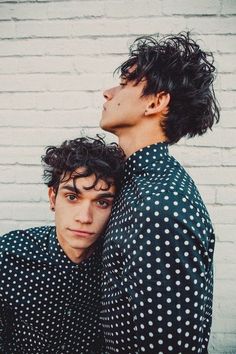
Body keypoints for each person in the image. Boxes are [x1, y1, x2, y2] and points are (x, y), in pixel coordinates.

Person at [100, 32, 220, 353]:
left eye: (125, 83)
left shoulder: (159, 208)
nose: (108, 93)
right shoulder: (137, 182)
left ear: (156, 102)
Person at [0, 136, 124, 354]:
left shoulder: (118, 267)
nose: (85, 217)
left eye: (102, 202)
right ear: (52, 197)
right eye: (72, 197)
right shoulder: (9, 254)